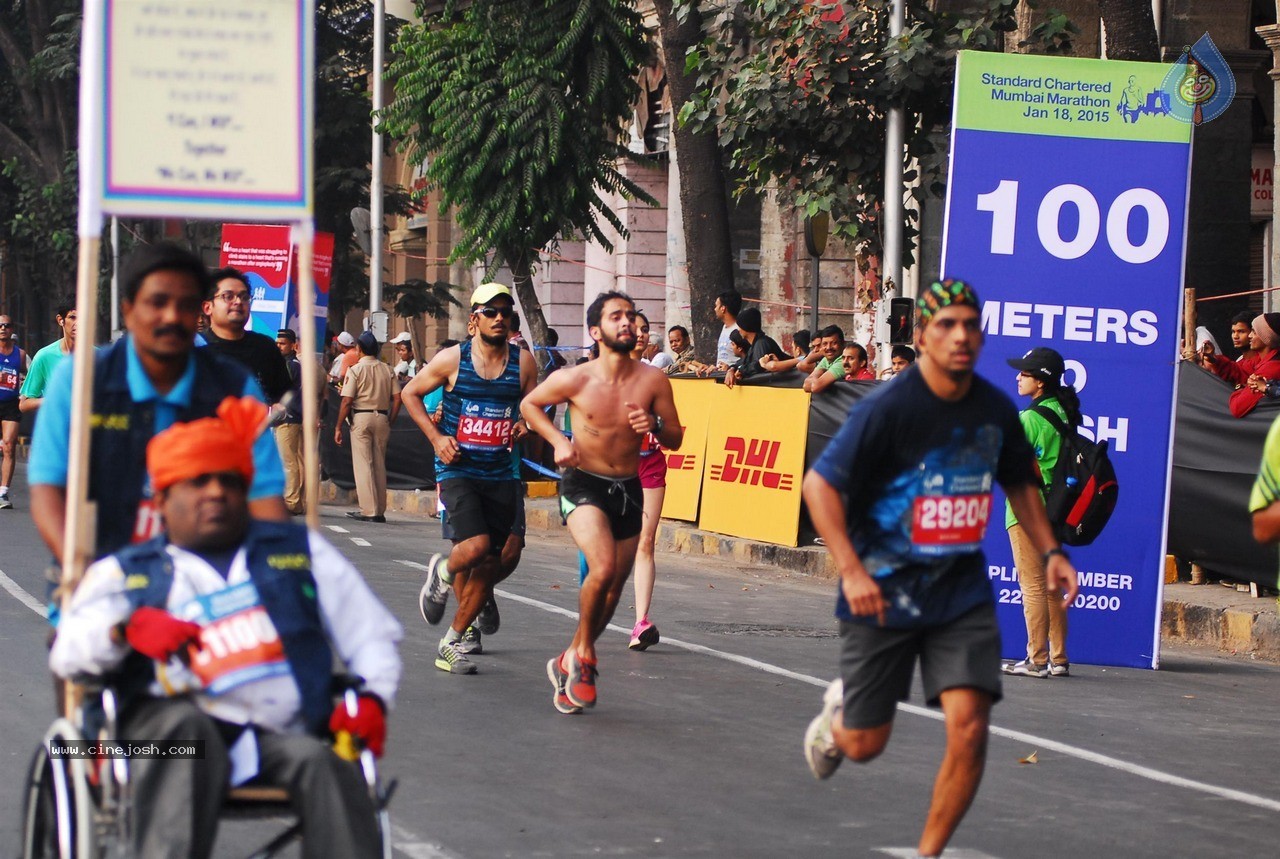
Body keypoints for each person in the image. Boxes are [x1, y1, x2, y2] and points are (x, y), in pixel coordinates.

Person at [48, 397, 401, 859]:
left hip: (276, 738)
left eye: (229, 481)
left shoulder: (297, 553)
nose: (215, 492)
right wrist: (124, 629)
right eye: (198, 481)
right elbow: (68, 652)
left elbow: (370, 636)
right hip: (166, 744)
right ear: (162, 499)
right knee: (188, 731)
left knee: (324, 764)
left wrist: (373, 699)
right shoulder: (126, 572)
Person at [798, 279, 1078, 859]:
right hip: (883, 585)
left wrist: (1052, 550)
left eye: (970, 325)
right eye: (946, 325)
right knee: (865, 744)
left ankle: (928, 853)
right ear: (922, 336)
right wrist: (851, 570)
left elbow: (1021, 486)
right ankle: (839, 716)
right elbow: (819, 486)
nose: (960, 336)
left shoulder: (995, 410)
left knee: (971, 728)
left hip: (959, 590)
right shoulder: (889, 407)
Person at [28, 242, 288, 562]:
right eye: (157, 302)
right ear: (128, 310)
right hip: (99, 571)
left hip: (205, 578)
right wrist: (84, 572)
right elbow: (47, 490)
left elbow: (265, 499)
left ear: (200, 313)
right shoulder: (79, 381)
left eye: (185, 304)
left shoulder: (235, 387)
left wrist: (275, 573)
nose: (172, 316)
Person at [521, 290, 683, 713]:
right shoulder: (575, 378)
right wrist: (558, 441)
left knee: (613, 589)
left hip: (628, 487)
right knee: (604, 566)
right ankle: (587, 658)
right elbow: (530, 404)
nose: (626, 322)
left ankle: (569, 658)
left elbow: (675, 437)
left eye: (630, 315)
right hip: (583, 484)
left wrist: (655, 423)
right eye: (616, 316)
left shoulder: (653, 380)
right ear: (595, 331)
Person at [403, 283, 537, 675]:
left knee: (493, 562)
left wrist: (525, 423)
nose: (499, 318)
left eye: (505, 312)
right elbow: (410, 393)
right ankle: (443, 573)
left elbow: (534, 405)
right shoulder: (452, 359)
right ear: (474, 320)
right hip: (458, 468)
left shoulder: (523, 363)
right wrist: (437, 438)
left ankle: (451, 643)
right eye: (490, 312)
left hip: (500, 471)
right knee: (475, 547)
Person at [1002, 347, 1082, 678]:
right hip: (1055, 509)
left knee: (1033, 586)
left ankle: (1036, 659)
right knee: (1049, 587)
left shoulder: (1029, 419)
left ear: (1041, 381)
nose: (1018, 377)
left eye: (1025, 373)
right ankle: (1058, 658)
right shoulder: (1063, 412)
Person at [335, 331, 400, 523]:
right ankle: (379, 509)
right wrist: (390, 419)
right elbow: (398, 398)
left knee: (364, 465)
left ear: (359, 349)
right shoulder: (388, 369)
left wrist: (338, 426)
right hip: (382, 417)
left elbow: (347, 401)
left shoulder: (355, 370)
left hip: (361, 417)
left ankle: (369, 510)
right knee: (379, 464)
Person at [201, 268, 292, 403]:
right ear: (208, 307)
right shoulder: (195, 347)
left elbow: (285, 398)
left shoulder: (265, 348)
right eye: (228, 296)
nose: (238, 302)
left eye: (244, 297)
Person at [1190, 312, 1280, 417]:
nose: (1250, 336)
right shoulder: (1262, 360)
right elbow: (1240, 372)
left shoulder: (1271, 368)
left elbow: (1237, 407)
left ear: (1266, 338)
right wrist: (1214, 359)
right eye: (1233, 332)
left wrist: (1239, 388)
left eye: (1254, 332)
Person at [273, 328, 308, 515]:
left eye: (283, 344)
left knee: (289, 461)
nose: (279, 346)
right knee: (291, 460)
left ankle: (292, 501)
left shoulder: (291, 365)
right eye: (277, 343)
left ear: (293, 345)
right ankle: (294, 500)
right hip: (289, 417)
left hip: (289, 418)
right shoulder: (288, 364)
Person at [19, 304, 76, 413]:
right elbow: (24, 403)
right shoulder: (44, 356)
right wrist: (52, 400)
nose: (78, 323)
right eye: (72, 317)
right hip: (57, 421)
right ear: (60, 320)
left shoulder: (98, 357)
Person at [0, 311, 27, 509]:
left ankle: (3, 493)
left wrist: (25, 392)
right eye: (0, 326)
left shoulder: (21, 355)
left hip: (10, 405)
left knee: (9, 445)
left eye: (7, 326)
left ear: (12, 329)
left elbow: (32, 376)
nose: (3, 329)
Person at [724, 307, 784, 389]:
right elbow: (742, 362)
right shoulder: (754, 345)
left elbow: (758, 366)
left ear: (746, 327)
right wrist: (732, 369)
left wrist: (741, 370)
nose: (738, 330)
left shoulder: (761, 343)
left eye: (740, 326)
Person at [809, 342, 876, 393]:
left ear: (862, 363)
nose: (845, 362)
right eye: (843, 358)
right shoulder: (848, 377)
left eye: (851, 358)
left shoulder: (867, 381)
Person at [801, 325, 846, 391]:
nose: (828, 347)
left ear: (843, 344)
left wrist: (821, 373)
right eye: (825, 344)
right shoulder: (826, 359)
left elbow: (816, 387)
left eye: (834, 343)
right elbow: (806, 386)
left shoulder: (844, 361)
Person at [713, 290, 742, 370]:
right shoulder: (724, 327)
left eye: (716, 306)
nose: (715, 309)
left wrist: (731, 368)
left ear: (723, 308)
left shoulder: (739, 330)